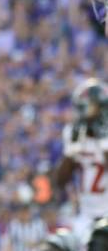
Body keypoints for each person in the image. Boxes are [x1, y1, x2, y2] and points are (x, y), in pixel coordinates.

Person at [55, 78, 108, 244]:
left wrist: (104, 143)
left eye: (87, 106)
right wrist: (71, 150)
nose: (82, 112)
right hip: (85, 213)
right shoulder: (74, 132)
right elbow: (60, 180)